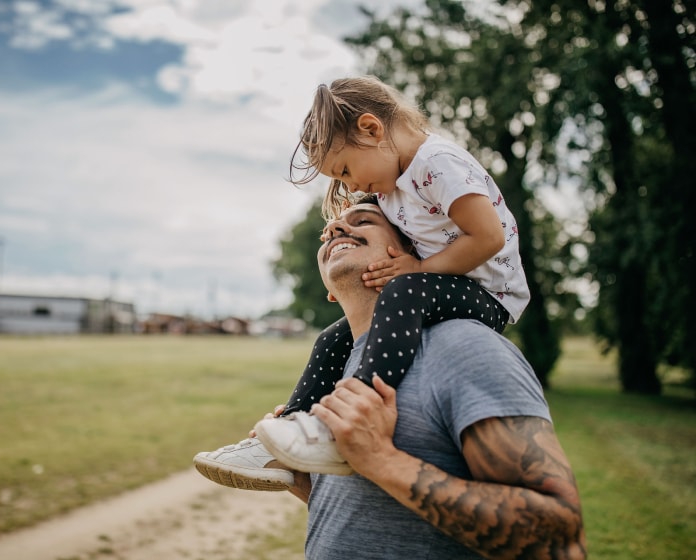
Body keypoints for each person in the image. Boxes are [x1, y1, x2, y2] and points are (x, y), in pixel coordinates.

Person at [195, 75, 530, 481]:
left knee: (406, 288)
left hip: (489, 293)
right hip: (443, 286)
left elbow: (488, 237)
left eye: (346, 169)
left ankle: (350, 418)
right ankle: (288, 434)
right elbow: (368, 227)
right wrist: (339, 234)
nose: (350, 185)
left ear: (371, 129)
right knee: (332, 338)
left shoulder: (438, 163)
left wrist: (419, 270)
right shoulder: (394, 184)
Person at [278, 198, 585, 559]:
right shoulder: (341, 364)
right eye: (327, 231)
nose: (336, 229)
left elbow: (559, 539)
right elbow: (381, 514)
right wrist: (305, 480)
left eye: (364, 221)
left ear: (413, 251)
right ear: (330, 291)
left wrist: (381, 458)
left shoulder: (465, 347)